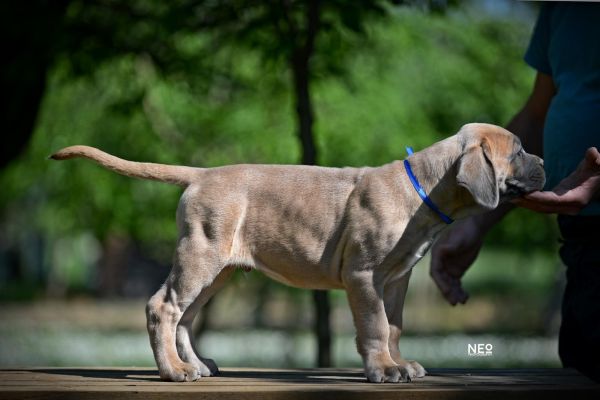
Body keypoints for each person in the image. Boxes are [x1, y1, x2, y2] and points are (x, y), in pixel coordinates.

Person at [430, 2, 600, 382]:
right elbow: (536, 116)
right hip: (581, 241)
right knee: (581, 375)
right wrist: (477, 218)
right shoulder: (563, 8)